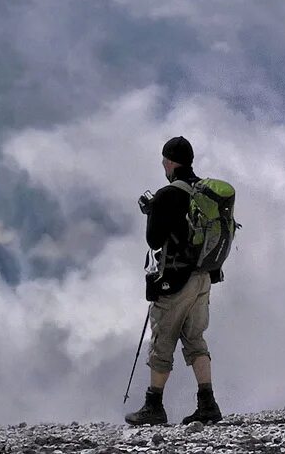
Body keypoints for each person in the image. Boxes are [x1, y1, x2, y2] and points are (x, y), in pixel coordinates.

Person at [125, 135, 223, 426]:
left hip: (176, 280)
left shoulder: (168, 194)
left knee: (162, 339)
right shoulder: (205, 193)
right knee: (195, 339)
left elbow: (154, 239)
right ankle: (207, 403)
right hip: (204, 276)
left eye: (164, 161)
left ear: (169, 162)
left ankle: (153, 405)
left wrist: (151, 210)